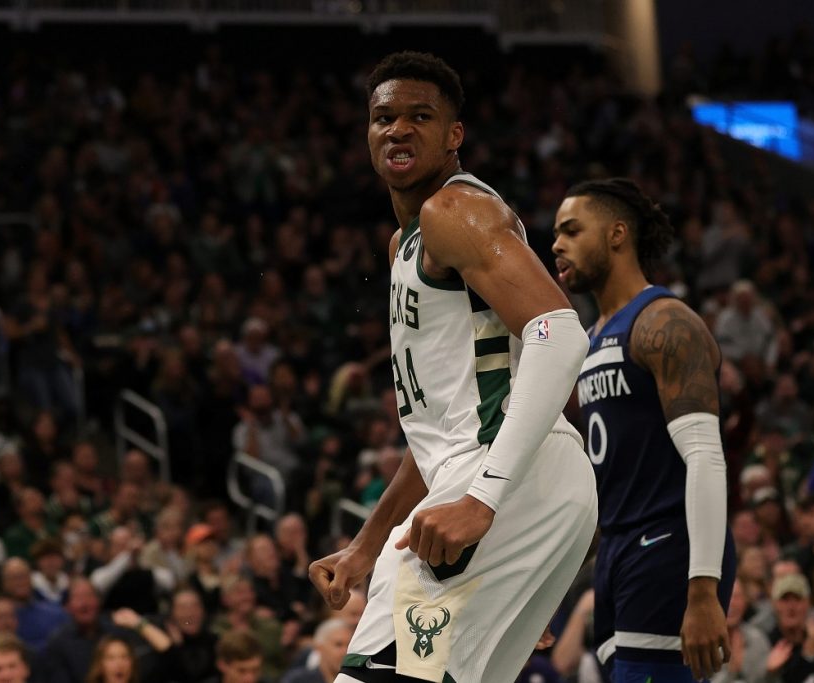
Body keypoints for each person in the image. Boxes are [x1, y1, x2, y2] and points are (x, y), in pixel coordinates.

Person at [309, 52, 597, 683]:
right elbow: (442, 427)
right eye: (384, 117)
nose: (398, 129)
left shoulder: (454, 212)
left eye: (420, 116)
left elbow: (560, 335)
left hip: (504, 478)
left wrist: (486, 503)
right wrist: (367, 543)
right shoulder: (405, 244)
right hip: (500, 476)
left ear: (454, 135)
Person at [551, 177, 735, 681]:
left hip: (669, 542)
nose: (556, 244)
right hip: (616, 548)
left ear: (616, 234)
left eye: (571, 230)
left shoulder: (665, 323)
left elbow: (705, 455)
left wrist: (702, 589)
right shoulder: (589, 339)